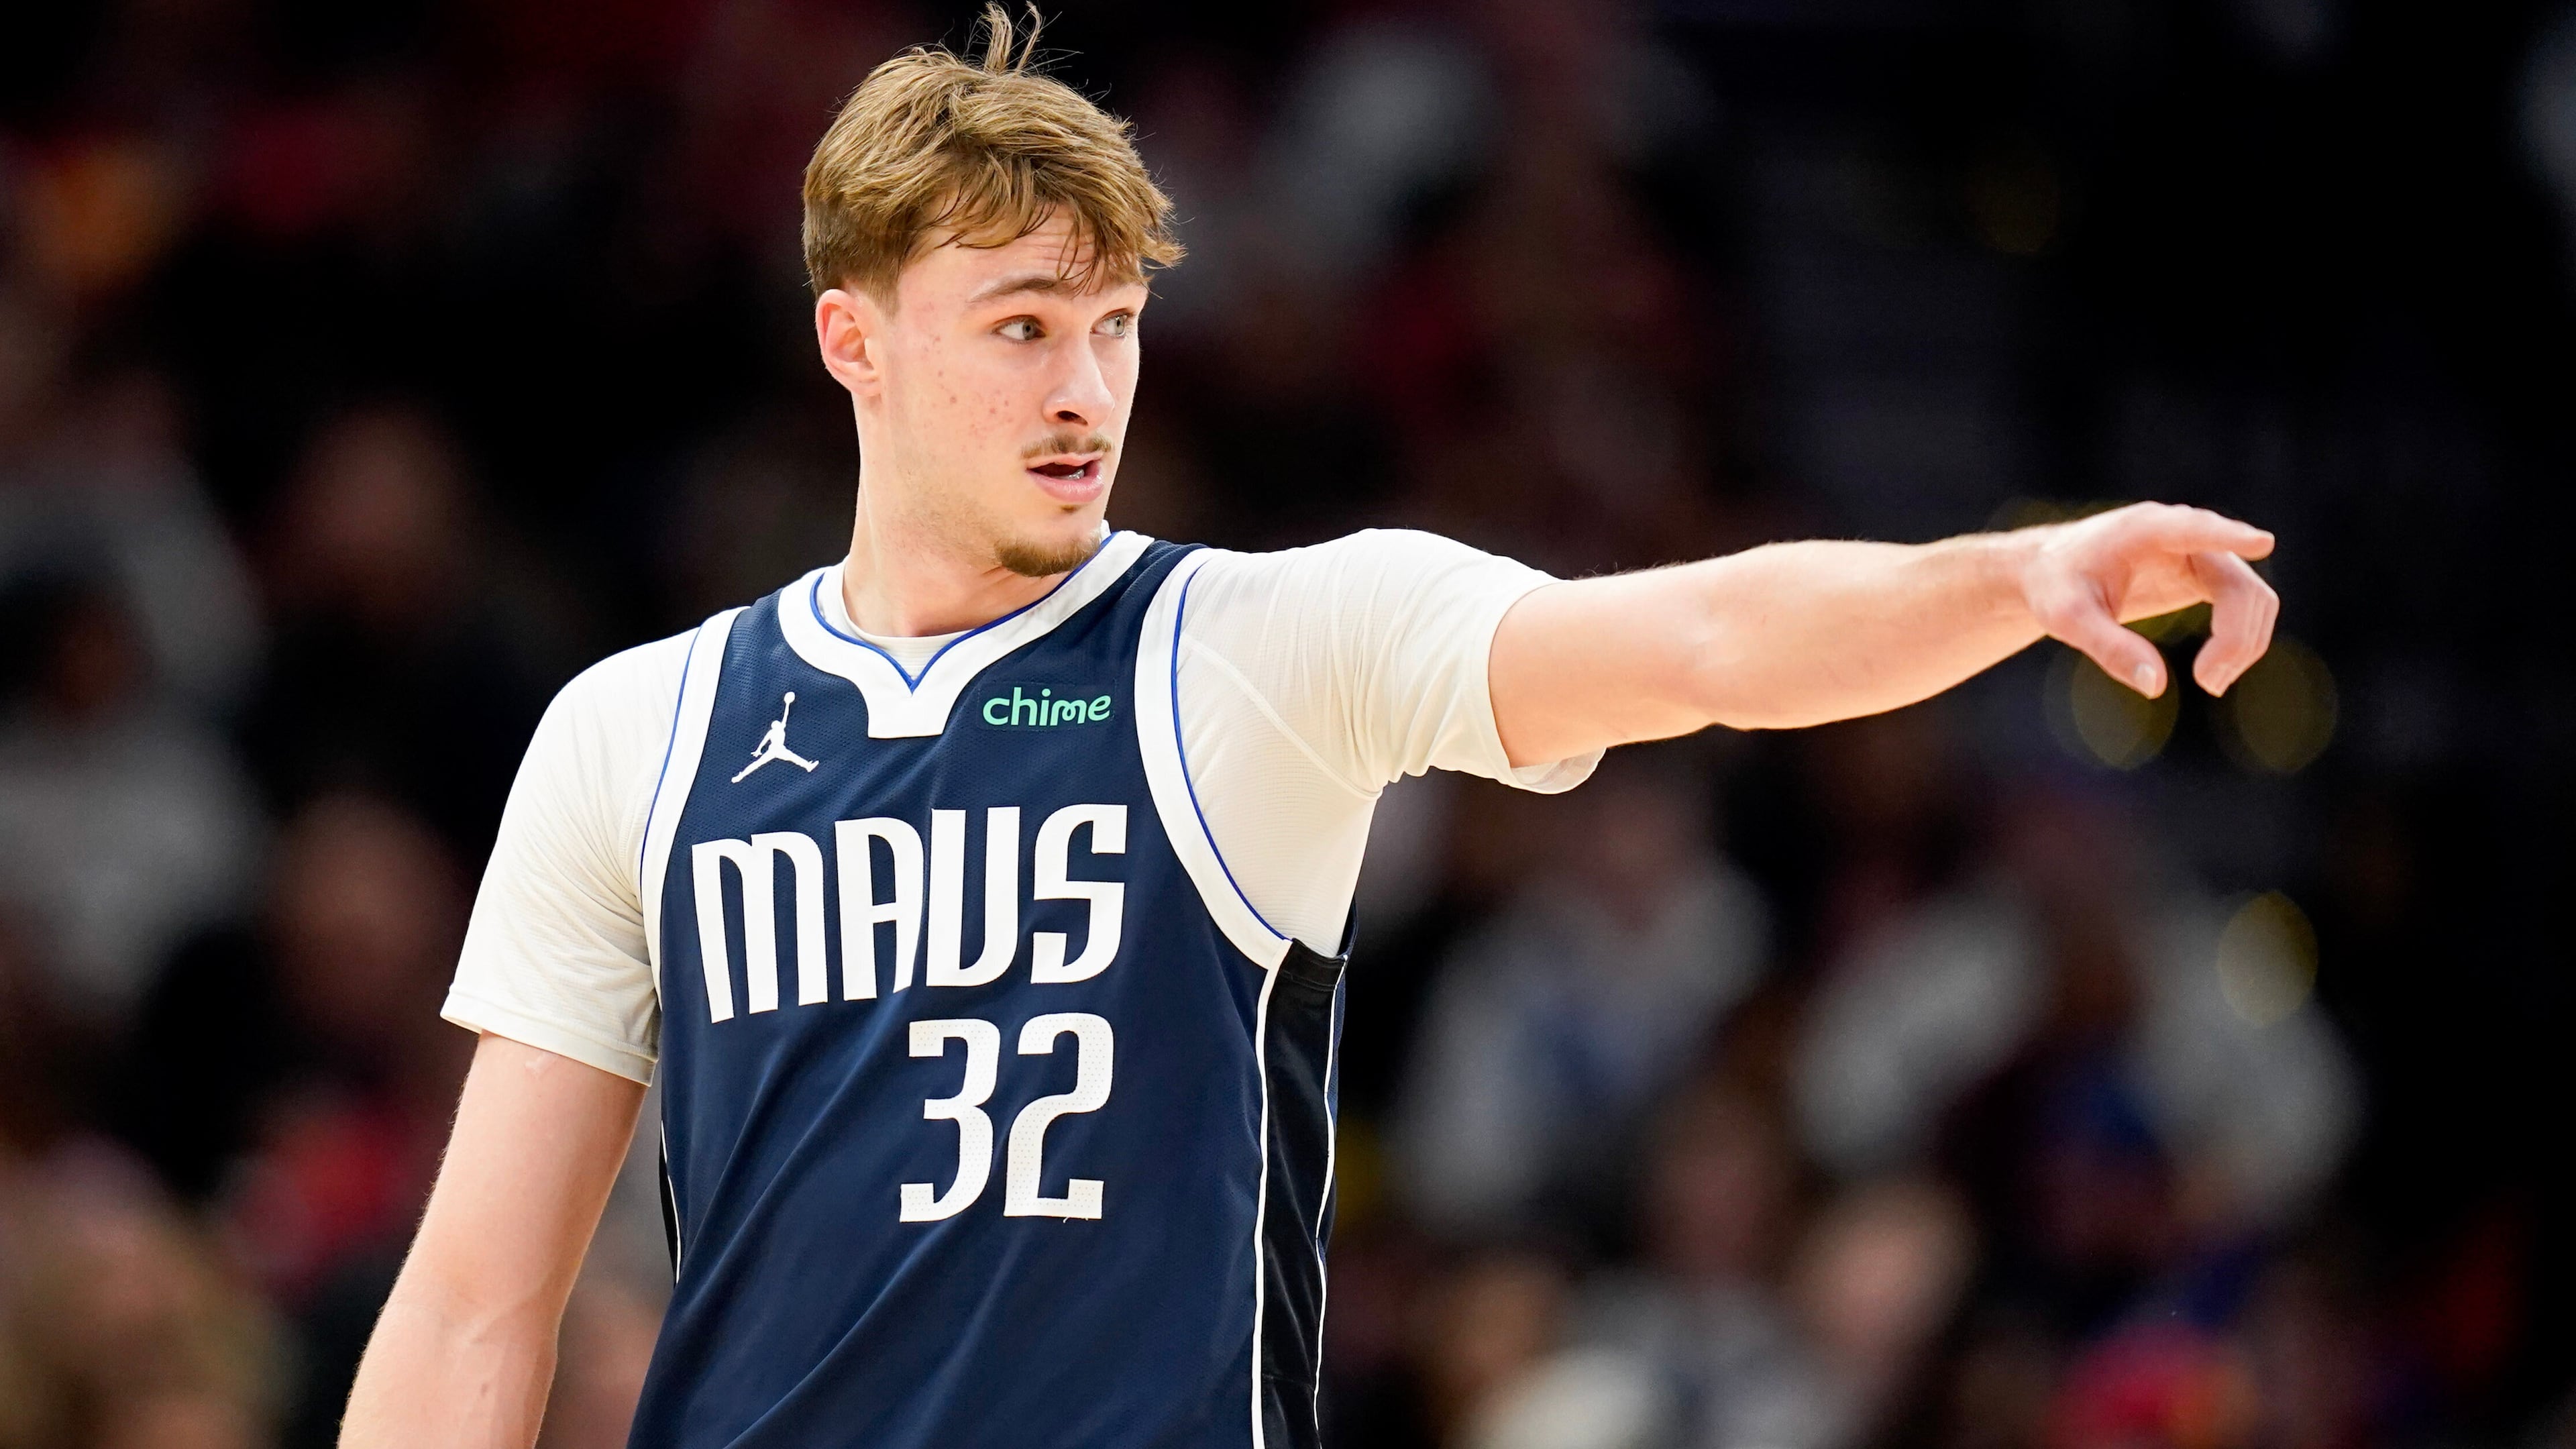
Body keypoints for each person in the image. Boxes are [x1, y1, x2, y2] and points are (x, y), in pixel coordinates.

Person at [337, 9, 2280, 1447]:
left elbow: (1692, 641)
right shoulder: (642, 732)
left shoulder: (1254, 648)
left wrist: (2002, 580)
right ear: (857, 340)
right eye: (1022, 324)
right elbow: (473, 1310)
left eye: (1114, 325)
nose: (1083, 382)